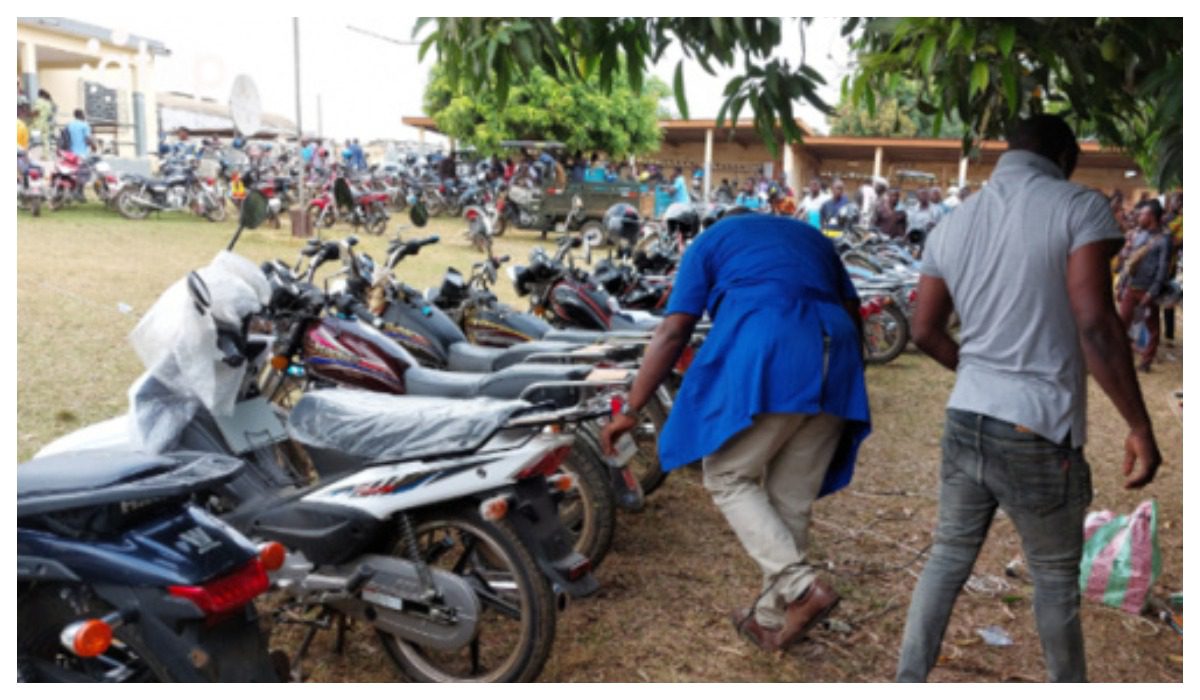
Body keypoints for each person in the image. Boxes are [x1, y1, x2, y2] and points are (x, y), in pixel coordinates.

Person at [897, 114, 1161, 682]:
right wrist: (1139, 426)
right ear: (1066, 156)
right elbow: (1095, 324)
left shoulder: (953, 223)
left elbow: (923, 332)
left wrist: (978, 374)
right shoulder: (1078, 207)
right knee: (1054, 583)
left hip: (966, 416)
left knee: (946, 560)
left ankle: (906, 681)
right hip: (1038, 429)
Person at [599, 211, 870, 654]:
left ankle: (801, 589)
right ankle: (771, 620)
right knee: (790, 497)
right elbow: (851, 309)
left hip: (774, 342)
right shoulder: (810, 236)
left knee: (727, 474)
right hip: (836, 354)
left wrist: (631, 408)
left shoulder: (710, 240)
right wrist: (847, 375)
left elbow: (673, 330)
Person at [1118, 200, 1173, 372]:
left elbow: (1163, 268)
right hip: (1131, 287)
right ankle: (1122, 358)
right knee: (1121, 326)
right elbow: (1130, 262)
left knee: (1153, 329)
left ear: (1151, 216)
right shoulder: (1139, 235)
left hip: (1148, 291)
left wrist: (1152, 292)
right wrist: (1122, 284)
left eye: (1142, 214)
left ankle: (1145, 362)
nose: (1138, 216)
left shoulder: (1165, 239)